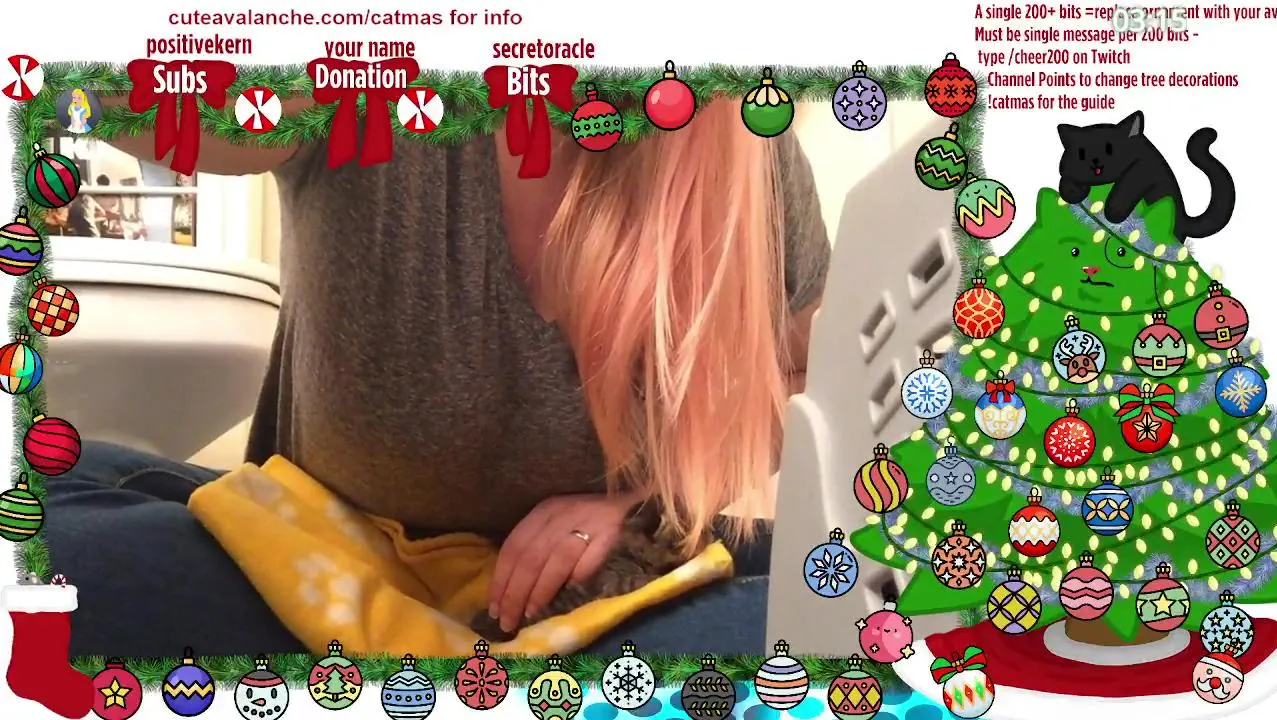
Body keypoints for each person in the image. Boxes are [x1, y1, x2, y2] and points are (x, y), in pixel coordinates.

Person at [45, 96, 829, 657]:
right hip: (330, 558)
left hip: (612, 589)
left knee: (840, 613)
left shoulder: (742, 136)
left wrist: (638, 508)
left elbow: (808, 381)